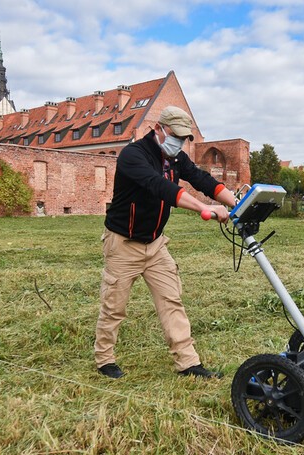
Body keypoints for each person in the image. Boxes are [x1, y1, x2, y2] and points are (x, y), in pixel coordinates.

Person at [94, 106, 236, 379]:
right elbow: (162, 188)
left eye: (183, 138)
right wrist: (205, 209)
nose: (179, 143)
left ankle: (188, 363)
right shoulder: (133, 155)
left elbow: (202, 179)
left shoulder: (177, 158)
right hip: (123, 243)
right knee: (114, 306)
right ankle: (104, 359)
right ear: (158, 129)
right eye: (175, 135)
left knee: (172, 301)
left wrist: (235, 204)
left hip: (156, 244)